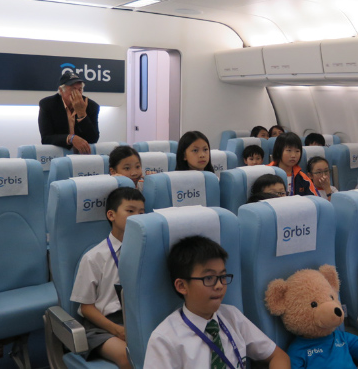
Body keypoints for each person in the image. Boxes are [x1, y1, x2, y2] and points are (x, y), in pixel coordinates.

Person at [144, 236, 290, 368]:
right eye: (209, 278)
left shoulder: (231, 316)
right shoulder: (165, 339)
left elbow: (278, 356)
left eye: (222, 277)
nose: (219, 285)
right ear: (182, 286)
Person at [70, 187, 145, 368]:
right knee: (129, 357)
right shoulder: (94, 257)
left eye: (142, 213)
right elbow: (86, 308)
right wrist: (117, 330)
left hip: (137, 318)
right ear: (111, 215)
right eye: (130, 211)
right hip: (103, 325)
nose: (137, 217)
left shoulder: (146, 252)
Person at [38, 72, 100, 154]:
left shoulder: (91, 106)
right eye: (73, 89)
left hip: (83, 156)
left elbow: (93, 139)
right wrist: (70, 138)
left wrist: (82, 115)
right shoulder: (47, 104)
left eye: (80, 89)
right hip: (58, 154)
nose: (77, 94)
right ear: (61, 90)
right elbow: (46, 138)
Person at [267, 132, 317, 196]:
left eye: (297, 151)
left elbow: (313, 199)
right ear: (278, 151)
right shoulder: (267, 173)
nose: (293, 155)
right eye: (289, 150)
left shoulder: (303, 178)